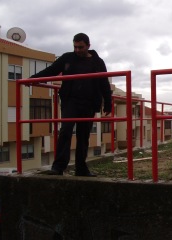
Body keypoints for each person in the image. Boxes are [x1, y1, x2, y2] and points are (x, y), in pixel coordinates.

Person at [31, 33, 112, 176]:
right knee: (65, 131)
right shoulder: (67, 58)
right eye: (75, 47)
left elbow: (104, 83)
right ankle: (58, 167)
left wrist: (108, 103)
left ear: (88, 46)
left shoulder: (98, 62)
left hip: (88, 103)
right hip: (70, 101)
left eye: (80, 47)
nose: (77, 50)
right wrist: (33, 79)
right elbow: (51, 70)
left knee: (83, 136)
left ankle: (81, 168)